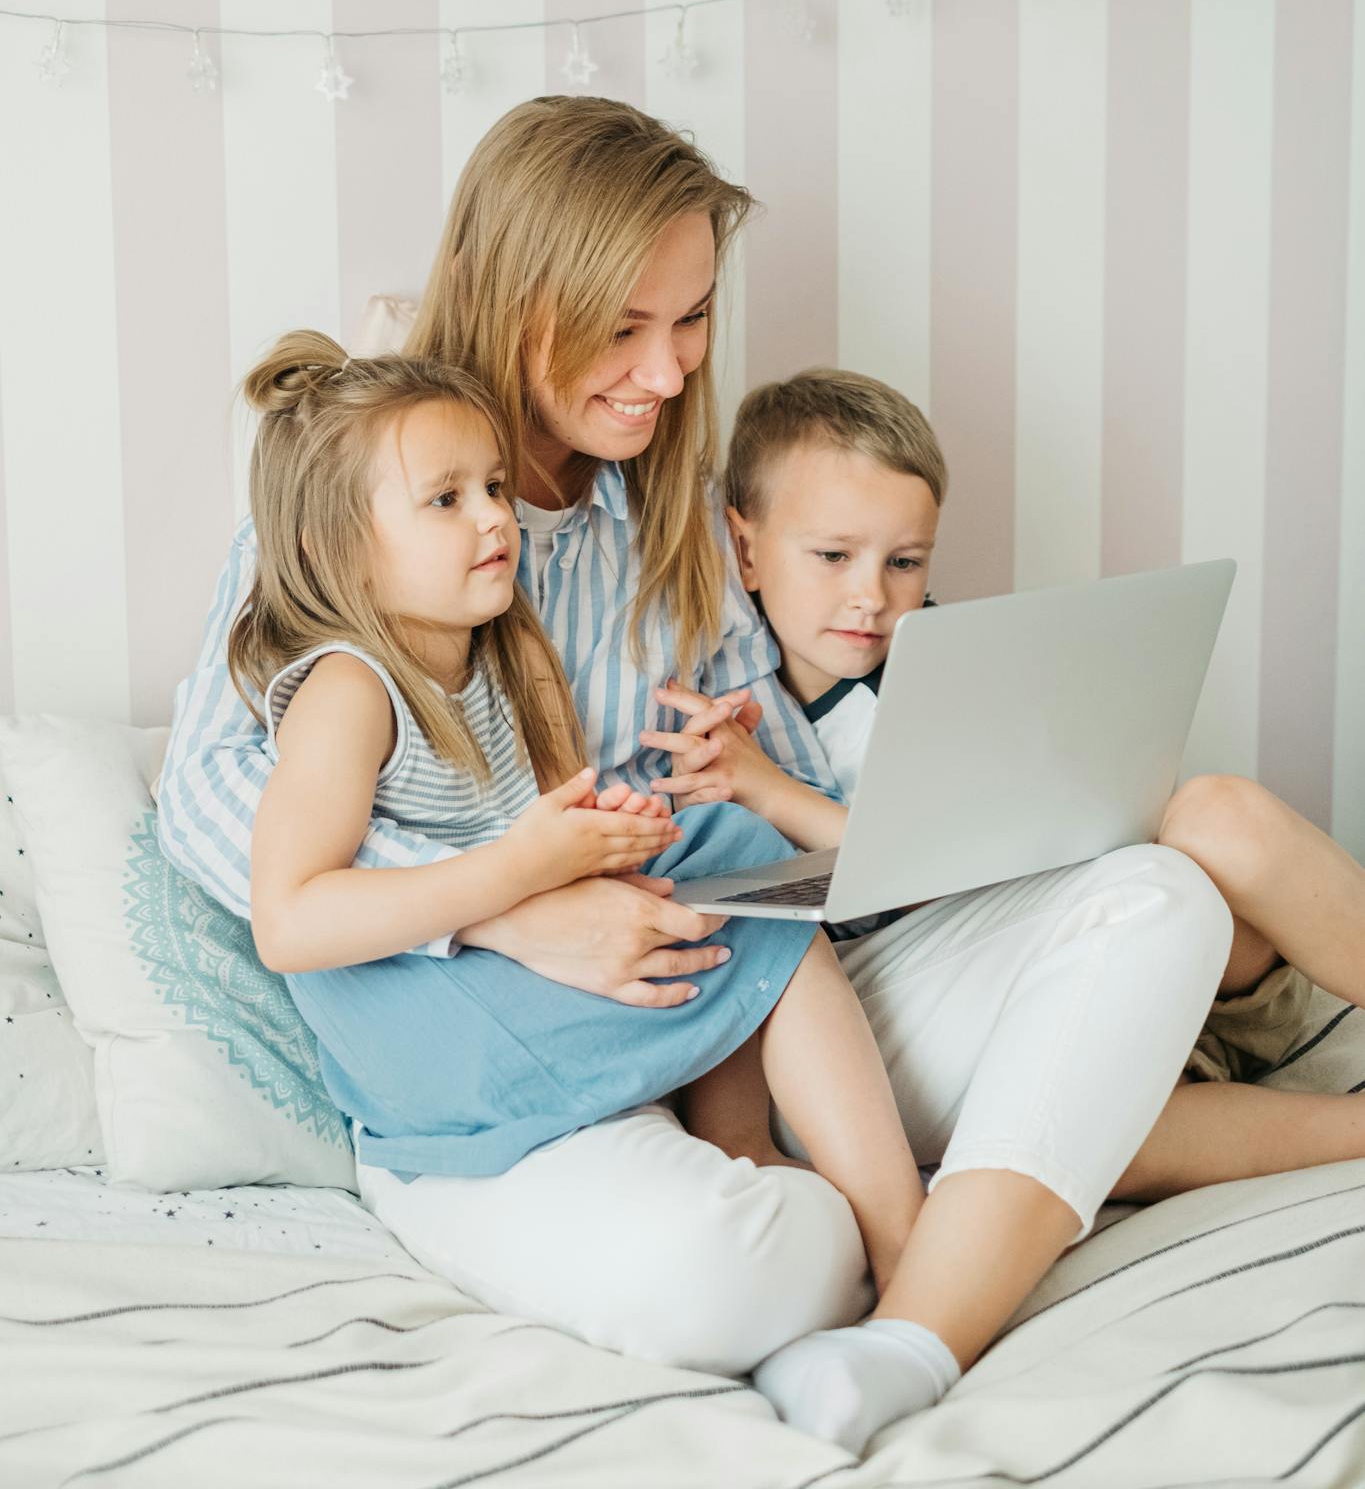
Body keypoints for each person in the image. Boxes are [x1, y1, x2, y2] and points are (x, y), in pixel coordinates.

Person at [158, 95, 1231, 1413]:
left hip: (730, 988)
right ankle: (912, 1243)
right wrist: (511, 908)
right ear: (512, 296)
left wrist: (970, 790)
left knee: (1158, 897)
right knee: (737, 1266)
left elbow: (774, 802)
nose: (668, 374)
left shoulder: (666, 511)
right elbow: (209, 801)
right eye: (624, 328)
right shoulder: (363, 499)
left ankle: (912, 1331)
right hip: (513, 1061)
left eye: (693, 319)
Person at [714, 365, 1365, 1448]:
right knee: (1119, 1037)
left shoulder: (941, 667)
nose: (870, 594)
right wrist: (769, 788)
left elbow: (987, 840)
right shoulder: (723, 689)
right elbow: (891, 869)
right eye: (832, 557)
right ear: (746, 547)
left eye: (905, 561)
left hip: (1065, 941)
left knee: (1215, 819)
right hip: (858, 1025)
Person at [234, 330, 926, 1305]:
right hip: (419, 1034)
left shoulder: (512, 657)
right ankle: (906, 1239)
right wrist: (521, 868)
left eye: (493, 486)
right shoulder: (350, 688)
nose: (493, 516)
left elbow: (564, 833)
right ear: (333, 543)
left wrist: (623, 826)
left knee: (725, 854)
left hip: (498, 986)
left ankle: (740, 1140)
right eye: (446, 498)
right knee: (740, 864)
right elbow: (289, 918)